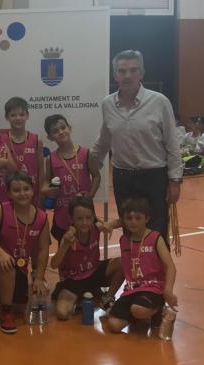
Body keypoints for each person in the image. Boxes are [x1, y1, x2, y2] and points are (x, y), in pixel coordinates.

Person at [91, 49, 182, 240]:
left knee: (156, 232)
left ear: (142, 73)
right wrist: (86, 166)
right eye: (122, 71)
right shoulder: (107, 104)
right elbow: (103, 141)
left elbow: (172, 144)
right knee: (129, 230)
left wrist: (175, 181)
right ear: (115, 75)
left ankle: (158, 261)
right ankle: (131, 261)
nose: (128, 75)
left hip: (154, 177)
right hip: (123, 178)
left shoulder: (159, 102)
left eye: (133, 70)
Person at [0, 171, 50, 334]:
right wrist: (1, 253)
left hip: (20, 263)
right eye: (16, 190)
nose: (22, 193)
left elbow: (43, 249)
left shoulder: (41, 217)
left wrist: (38, 277)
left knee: (20, 308)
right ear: (9, 193)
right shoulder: (1, 210)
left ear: (32, 190)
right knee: (9, 267)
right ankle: (6, 312)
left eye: (26, 189)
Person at [106, 196, 178, 333]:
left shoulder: (155, 238)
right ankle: (139, 316)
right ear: (123, 220)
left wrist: (168, 290)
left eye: (138, 218)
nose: (133, 222)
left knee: (137, 309)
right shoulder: (124, 241)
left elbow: (170, 266)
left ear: (147, 218)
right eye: (129, 218)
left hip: (153, 288)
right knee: (114, 325)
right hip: (132, 289)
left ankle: (159, 309)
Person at [49, 196, 123, 320]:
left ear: (93, 217)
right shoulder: (68, 237)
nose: (84, 222)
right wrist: (65, 245)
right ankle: (82, 296)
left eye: (88, 218)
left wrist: (108, 224)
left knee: (122, 262)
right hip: (74, 280)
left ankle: (107, 298)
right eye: (79, 218)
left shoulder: (96, 228)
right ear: (71, 219)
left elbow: (121, 221)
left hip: (94, 272)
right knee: (62, 313)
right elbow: (54, 264)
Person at [42, 114, 100, 241]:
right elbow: (46, 181)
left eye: (63, 127)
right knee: (65, 247)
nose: (60, 132)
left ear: (70, 128)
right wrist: (46, 189)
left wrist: (90, 195)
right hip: (62, 213)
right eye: (55, 131)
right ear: (50, 137)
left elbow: (96, 176)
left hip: (84, 212)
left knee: (88, 245)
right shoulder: (50, 159)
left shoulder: (86, 153)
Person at [1, 97, 44, 206]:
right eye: (13, 115)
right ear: (6, 117)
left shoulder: (36, 140)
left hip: (32, 193)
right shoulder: (1, 140)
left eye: (21, 114)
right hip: (10, 193)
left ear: (27, 115)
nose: (18, 118)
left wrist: (41, 194)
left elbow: (40, 170)